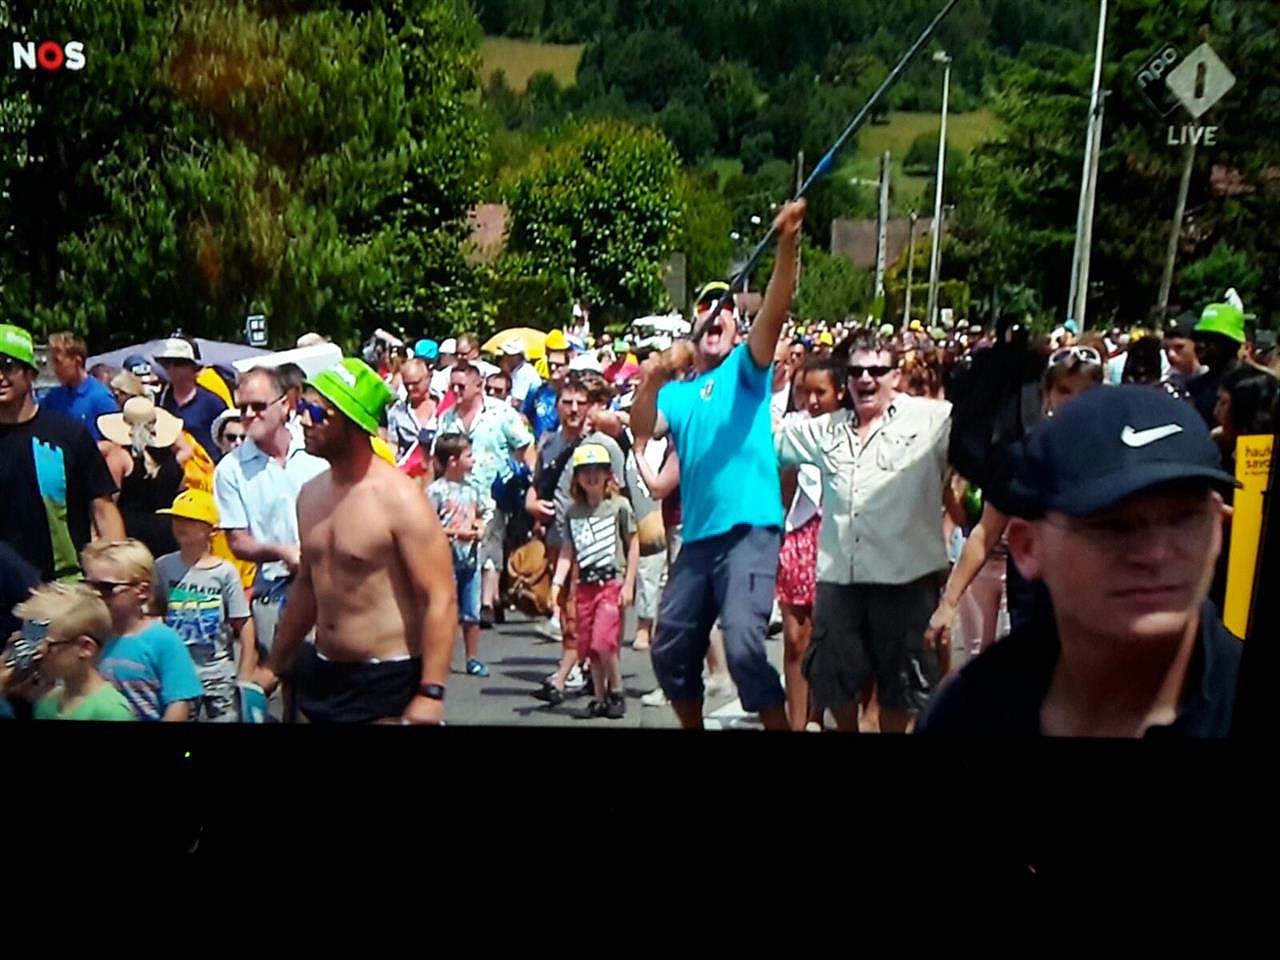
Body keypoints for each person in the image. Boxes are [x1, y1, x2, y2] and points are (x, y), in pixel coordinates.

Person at [920, 386, 1241, 737]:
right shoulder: (967, 714)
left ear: (1218, 526)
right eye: (1114, 526)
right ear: (1028, 548)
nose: (1156, 553)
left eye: (1183, 518)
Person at [631, 200, 806, 731]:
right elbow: (643, 426)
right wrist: (653, 376)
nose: (716, 313)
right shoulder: (678, 394)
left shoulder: (747, 369)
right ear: (694, 326)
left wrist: (787, 244)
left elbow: (776, 306)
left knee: (746, 647)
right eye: (706, 307)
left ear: (735, 327)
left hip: (749, 530)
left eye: (725, 308)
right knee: (668, 649)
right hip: (699, 538)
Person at [253, 358, 456, 724]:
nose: (304, 420)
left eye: (317, 412)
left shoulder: (400, 499)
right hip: (324, 672)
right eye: (302, 408)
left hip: (386, 680)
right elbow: (308, 586)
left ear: (353, 422)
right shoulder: (310, 495)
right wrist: (274, 665)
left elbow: (439, 596)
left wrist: (431, 691)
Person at [775, 331, 953, 733]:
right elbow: (770, 443)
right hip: (840, 580)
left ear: (895, 377)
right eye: (856, 372)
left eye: (877, 371)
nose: (866, 379)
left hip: (905, 582)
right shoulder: (827, 429)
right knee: (831, 679)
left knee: (901, 690)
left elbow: (980, 436)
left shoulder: (933, 419)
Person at [925, 341, 1107, 665]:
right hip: (1033, 611)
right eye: (1065, 390)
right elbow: (984, 534)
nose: (1074, 401)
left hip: (1096, 610)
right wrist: (949, 603)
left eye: (1086, 392)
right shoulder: (1022, 457)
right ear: (1047, 396)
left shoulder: (1117, 457)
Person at [214, 366, 328, 662]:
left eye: (258, 406)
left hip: (331, 582)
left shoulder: (317, 450)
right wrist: (282, 552)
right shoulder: (230, 469)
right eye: (242, 408)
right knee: (285, 672)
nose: (249, 414)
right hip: (276, 590)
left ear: (285, 404)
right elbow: (238, 541)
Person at [527, 374, 626, 704]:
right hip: (559, 538)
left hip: (596, 546)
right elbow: (537, 485)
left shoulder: (603, 445)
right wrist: (532, 505)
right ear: (556, 406)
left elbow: (621, 496)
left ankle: (567, 676)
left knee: (581, 612)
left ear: (589, 407)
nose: (572, 409)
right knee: (570, 612)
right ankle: (583, 671)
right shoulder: (549, 443)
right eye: (566, 402)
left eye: (579, 403)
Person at [0, 323, 124, 583]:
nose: (0, 376)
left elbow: (103, 509)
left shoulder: (69, 434)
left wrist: (119, 576)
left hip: (63, 588)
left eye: (7, 366)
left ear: (31, 374)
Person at [776, 356, 847, 730]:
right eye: (805, 392)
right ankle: (797, 722)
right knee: (794, 636)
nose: (812, 401)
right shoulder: (791, 428)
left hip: (836, 537)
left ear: (840, 392)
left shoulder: (851, 429)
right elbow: (782, 490)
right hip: (797, 533)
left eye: (821, 392)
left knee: (826, 634)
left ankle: (818, 713)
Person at [437, 361, 535, 628]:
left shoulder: (501, 413)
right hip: (457, 494)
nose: (456, 391)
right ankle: (468, 600)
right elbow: (439, 456)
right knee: (462, 547)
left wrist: (534, 482)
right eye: (452, 386)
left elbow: (525, 445)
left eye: (461, 386)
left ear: (478, 386)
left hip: (494, 491)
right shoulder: (447, 418)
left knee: (490, 541)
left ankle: (487, 602)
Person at [550, 443, 638, 719]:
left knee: (604, 641)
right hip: (584, 587)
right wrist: (557, 583)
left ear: (608, 474)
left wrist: (629, 583)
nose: (591, 476)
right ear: (576, 477)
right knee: (589, 646)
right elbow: (568, 551)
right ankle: (599, 698)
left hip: (611, 583)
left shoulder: (619, 506)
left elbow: (633, 543)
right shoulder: (573, 513)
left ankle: (617, 690)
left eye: (597, 470)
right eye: (585, 471)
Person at [154, 488, 257, 722]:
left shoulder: (225, 572)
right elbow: (156, 613)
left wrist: (245, 672)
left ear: (212, 530)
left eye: (190, 520)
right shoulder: (163, 566)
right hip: (178, 673)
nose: (181, 525)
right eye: (176, 519)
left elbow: (243, 621)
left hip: (218, 673)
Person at [84, 538, 202, 721]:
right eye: (89, 585)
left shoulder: (163, 640)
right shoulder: (88, 637)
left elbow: (178, 704)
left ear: (142, 591)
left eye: (106, 587)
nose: (95, 594)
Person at [5, 583, 135, 721]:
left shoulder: (111, 711)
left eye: (45, 647)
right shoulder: (47, 703)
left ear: (85, 647)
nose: (35, 657)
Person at [428, 435, 490, 678]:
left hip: (470, 558)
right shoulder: (436, 491)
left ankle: (472, 658)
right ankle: (439, 656)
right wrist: (455, 533)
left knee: (471, 612)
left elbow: (482, 513)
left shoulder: (472, 488)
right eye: (468, 456)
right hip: (446, 560)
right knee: (446, 610)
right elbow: (429, 526)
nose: (473, 460)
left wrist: (479, 527)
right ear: (453, 461)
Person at [97, 397, 187, 559]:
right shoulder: (172, 460)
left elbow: (108, 504)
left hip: (131, 537)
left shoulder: (119, 457)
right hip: (169, 534)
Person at [153, 336, 229, 463]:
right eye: (167, 363)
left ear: (194, 368)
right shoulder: (160, 400)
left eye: (179, 363)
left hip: (206, 471)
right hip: (171, 471)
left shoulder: (212, 403)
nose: (172, 368)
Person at [41, 332, 118, 442]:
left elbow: (113, 444)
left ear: (77, 361)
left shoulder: (101, 398)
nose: (54, 368)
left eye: (58, 362)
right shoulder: (54, 397)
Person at [1188, 302, 1245, 428]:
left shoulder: (1252, 387)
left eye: (1209, 339)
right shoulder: (1194, 387)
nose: (1199, 345)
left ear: (1231, 344)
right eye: (1197, 338)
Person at [384, 357, 439, 462]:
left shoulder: (443, 405)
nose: (410, 388)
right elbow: (393, 445)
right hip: (408, 465)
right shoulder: (396, 412)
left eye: (415, 383)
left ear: (428, 378)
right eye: (406, 384)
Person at [523, 329, 569, 441]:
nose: (553, 368)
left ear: (567, 365)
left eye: (558, 365)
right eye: (550, 364)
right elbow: (524, 415)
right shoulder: (537, 392)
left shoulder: (572, 393)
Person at [1164, 311, 1204, 390]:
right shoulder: (1167, 383)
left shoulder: (1213, 384)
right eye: (1166, 348)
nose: (1171, 354)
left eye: (1179, 347)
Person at [498, 338, 543, 407]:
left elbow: (516, 402)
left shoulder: (524, 372)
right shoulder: (516, 370)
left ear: (519, 357)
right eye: (505, 354)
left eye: (509, 355)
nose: (505, 357)